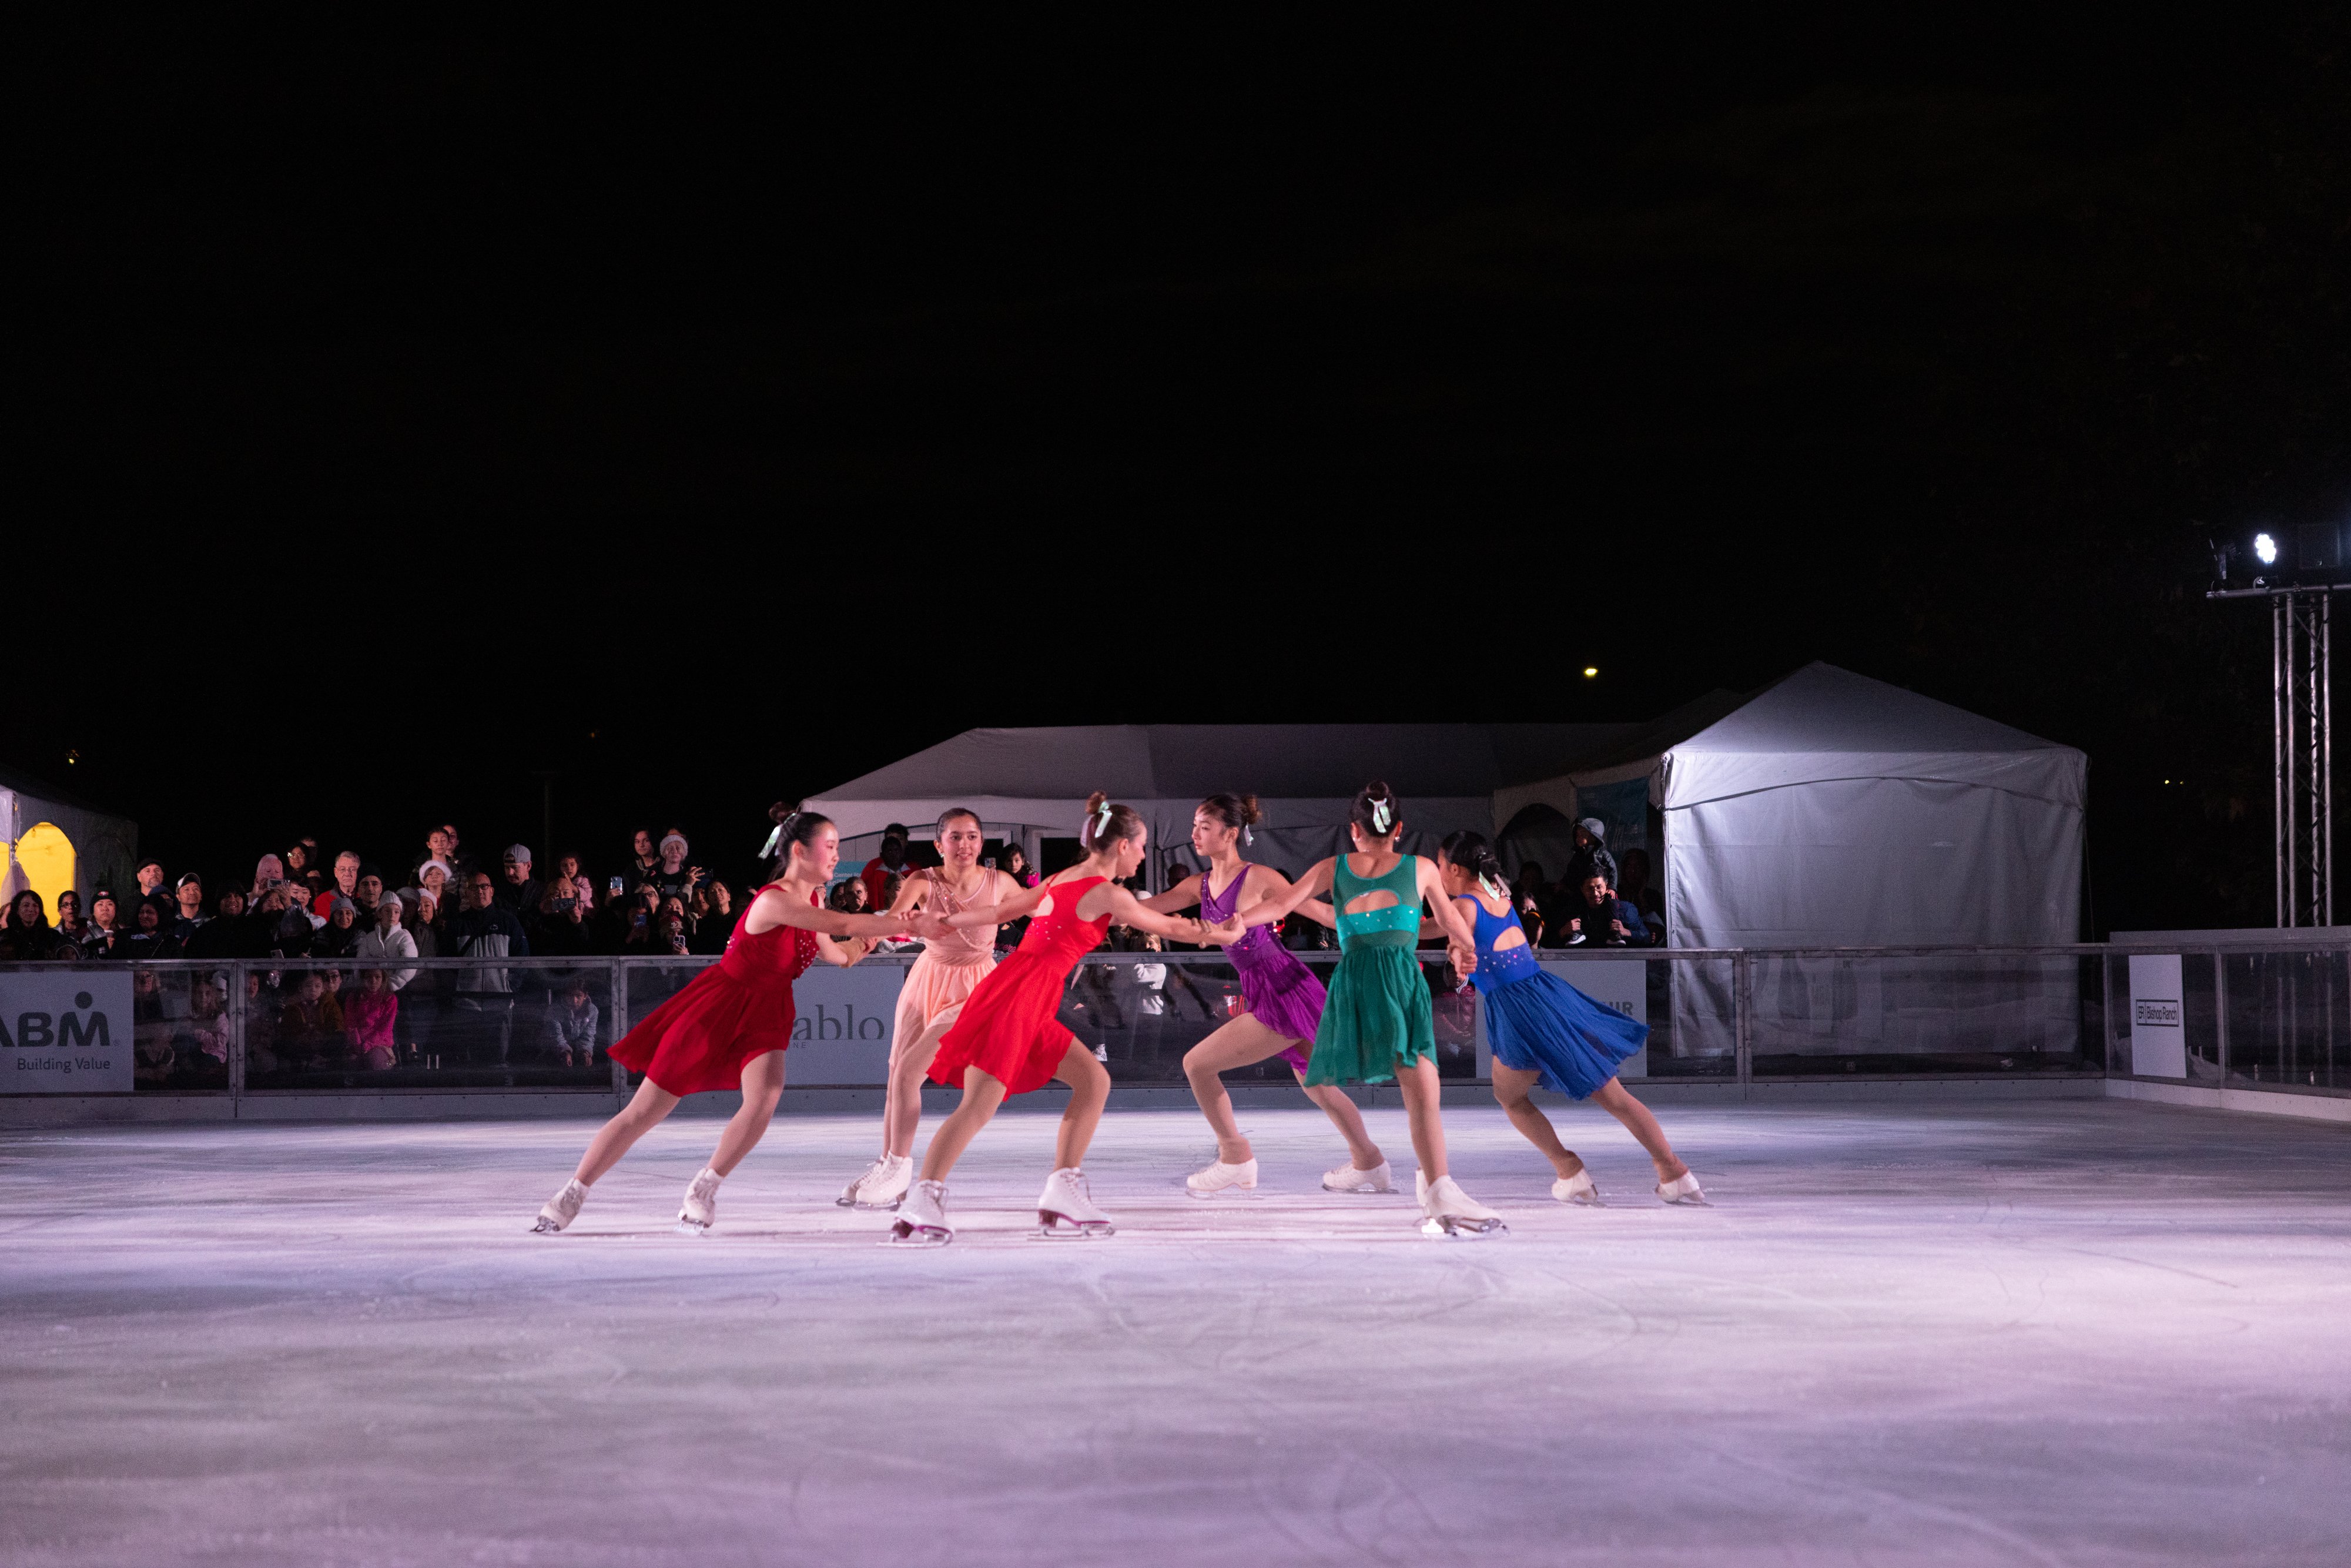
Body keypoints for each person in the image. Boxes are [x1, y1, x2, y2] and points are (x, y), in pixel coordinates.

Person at [529, 806, 910, 1237]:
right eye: (832, 847)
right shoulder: (775, 899)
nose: (837, 855)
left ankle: (704, 1188)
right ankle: (572, 1193)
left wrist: (867, 941)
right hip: (720, 1005)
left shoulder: (815, 900)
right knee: (645, 1111)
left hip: (769, 1011)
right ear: (801, 851)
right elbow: (840, 922)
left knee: (764, 1099)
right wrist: (900, 919)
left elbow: (836, 950)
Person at [887, 793, 1233, 1247]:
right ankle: (923, 1199)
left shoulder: (1064, 877)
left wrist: (946, 921)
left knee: (1092, 1082)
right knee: (979, 1104)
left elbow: (997, 913)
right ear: (1123, 846)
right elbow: (1170, 928)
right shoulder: (1107, 891)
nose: (1145, 855)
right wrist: (1226, 932)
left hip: (1020, 991)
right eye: (1143, 845)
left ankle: (1062, 1190)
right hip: (1021, 996)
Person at [1230, 781, 1505, 1237]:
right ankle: (1437, 1187)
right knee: (1422, 1089)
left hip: (1356, 983)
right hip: (1400, 980)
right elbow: (1452, 920)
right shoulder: (1420, 867)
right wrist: (1464, 949)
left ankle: (1422, 1182)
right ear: (1399, 828)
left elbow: (1280, 904)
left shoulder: (1331, 867)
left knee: (1411, 1082)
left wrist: (1233, 924)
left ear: (1354, 830)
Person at [1133, 793, 1390, 1196]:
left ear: (1230, 833)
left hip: (1285, 988)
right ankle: (1370, 1163)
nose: (1195, 834)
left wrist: (1372, 927)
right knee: (1317, 1085)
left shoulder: (1260, 878)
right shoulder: (1198, 885)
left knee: (1197, 1065)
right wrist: (1097, 901)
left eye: (1204, 826)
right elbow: (1146, 911)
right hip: (1265, 987)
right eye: (1195, 826)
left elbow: (1316, 911)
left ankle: (1235, 1156)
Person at [1436, 832, 1702, 1204]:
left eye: (1438, 866)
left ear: (1452, 868)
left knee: (1511, 1097)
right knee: (1610, 1094)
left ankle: (1570, 1170)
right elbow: (1447, 927)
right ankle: (1673, 1172)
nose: (1437, 874)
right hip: (1543, 992)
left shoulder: (1463, 905)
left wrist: (1459, 957)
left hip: (1519, 1009)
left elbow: (1458, 937)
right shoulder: (1498, 891)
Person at [838, 806, 1028, 1209]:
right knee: (896, 1074)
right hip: (927, 978)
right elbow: (890, 921)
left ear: (981, 842)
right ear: (939, 843)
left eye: (972, 836)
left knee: (910, 1072)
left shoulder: (1000, 882)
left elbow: (1045, 909)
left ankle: (900, 1166)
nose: (965, 845)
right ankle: (887, 1163)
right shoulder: (922, 880)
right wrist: (860, 944)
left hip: (975, 988)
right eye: (955, 837)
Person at [446, 872, 531, 1066]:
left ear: (492, 891)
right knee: (467, 1067)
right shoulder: (457, 924)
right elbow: (446, 966)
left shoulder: (509, 922)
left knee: (498, 1064)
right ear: (466, 893)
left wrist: (510, 989)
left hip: (499, 1007)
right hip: (466, 1007)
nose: (480, 891)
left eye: (484, 886)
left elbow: (522, 960)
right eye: (474, 887)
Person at [354, 890, 419, 990]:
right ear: (380, 913)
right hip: (371, 990)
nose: (392, 915)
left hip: (399, 991)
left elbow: (410, 965)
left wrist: (391, 986)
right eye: (387, 911)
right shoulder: (369, 938)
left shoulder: (405, 937)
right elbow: (360, 964)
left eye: (396, 912)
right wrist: (366, 986)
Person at [1566, 873, 1647, 947]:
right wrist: (1563, 932)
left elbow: (1647, 937)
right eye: (1590, 888)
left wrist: (1626, 932)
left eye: (1599, 887)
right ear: (1582, 889)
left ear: (1607, 886)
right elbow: (1555, 942)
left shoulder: (1625, 910)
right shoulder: (1574, 911)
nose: (1595, 893)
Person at [347, 969, 400, 1070]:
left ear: (383, 979)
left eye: (377, 977)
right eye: (369, 977)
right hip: (357, 1043)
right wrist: (358, 1045)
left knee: (374, 1062)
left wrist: (368, 1045)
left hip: (380, 1043)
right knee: (352, 1064)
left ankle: (391, 1063)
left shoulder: (390, 999)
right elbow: (351, 1024)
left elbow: (385, 1028)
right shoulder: (353, 998)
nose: (373, 981)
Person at [859, 826, 910, 912]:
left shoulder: (912, 870)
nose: (894, 854)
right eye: (890, 851)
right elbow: (873, 899)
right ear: (882, 854)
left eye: (896, 851)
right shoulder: (875, 873)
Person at [1566, 819, 1619, 896]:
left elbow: (1613, 871)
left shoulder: (1602, 854)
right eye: (1577, 835)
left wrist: (1612, 888)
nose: (1579, 838)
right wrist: (1564, 883)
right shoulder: (1578, 855)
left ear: (1594, 837)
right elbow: (1571, 870)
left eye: (1583, 834)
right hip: (1582, 892)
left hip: (1599, 893)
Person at [497, 845, 544, 917]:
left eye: (515, 867)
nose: (510, 873)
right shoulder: (499, 892)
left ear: (528, 866)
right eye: (507, 867)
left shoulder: (542, 891)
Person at [170, 873, 208, 941]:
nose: (192, 892)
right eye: (187, 889)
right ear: (178, 897)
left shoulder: (209, 923)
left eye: (196, 889)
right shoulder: (171, 924)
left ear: (201, 896)